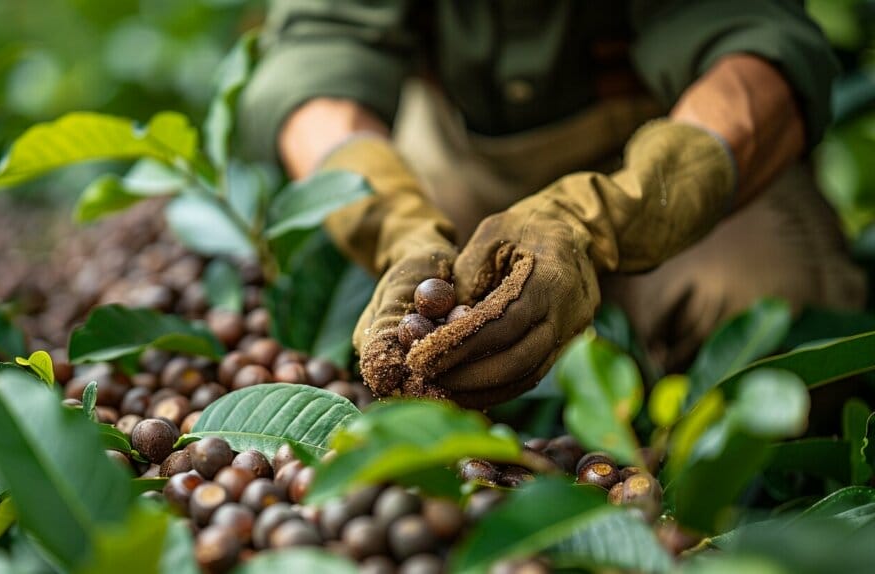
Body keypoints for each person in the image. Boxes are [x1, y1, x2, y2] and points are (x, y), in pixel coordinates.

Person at [238, 1, 867, 407]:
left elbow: (763, 53)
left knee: (770, 308)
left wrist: (600, 216)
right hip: (462, 145)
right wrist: (394, 225)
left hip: (672, 138)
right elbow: (314, 62)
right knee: (441, 350)